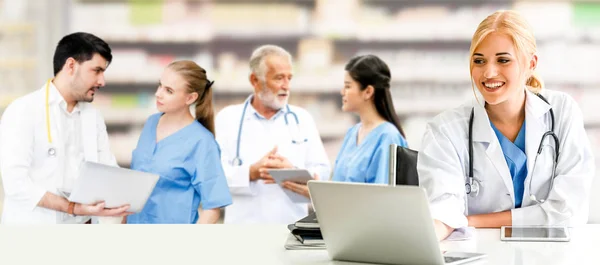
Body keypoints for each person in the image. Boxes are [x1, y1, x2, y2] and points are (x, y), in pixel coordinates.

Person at [417, 10, 595, 240]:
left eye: (503, 60)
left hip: (553, 257)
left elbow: (569, 211)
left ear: (531, 63)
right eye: (479, 61)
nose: (489, 72)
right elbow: (443, 212)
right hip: (483, 255)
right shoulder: (445, 130)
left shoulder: (561, 111)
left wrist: (472, 221)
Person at [0, 32, 131, 224]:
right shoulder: (23, 110)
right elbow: (15, 184)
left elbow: (107, 168)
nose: (102, 81)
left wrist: (124, 202)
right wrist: (72, 208)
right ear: (71, 65)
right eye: (96, 71)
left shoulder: (93, 116)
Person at [215, 45, 330, 224]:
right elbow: (214, 177)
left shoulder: (302, 119)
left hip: (291, 227)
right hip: (243, 229)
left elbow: (322, 171)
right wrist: (251, 173)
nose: (286, 86)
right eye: (279, 78)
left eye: (289, 78)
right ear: (255, 80)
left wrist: (293, 171)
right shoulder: (227, 118)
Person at [281, 55, 409, 198]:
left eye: (348, 86)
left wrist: (321, 195)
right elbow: (340, 190)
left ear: (368, 92)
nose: (342, 92)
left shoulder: (388, 137)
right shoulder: (352, 133)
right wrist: (316, 190)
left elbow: (382, 199)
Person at [125, 61, 232, 224]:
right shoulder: (151, 123)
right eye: (160, 85)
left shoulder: (202, 142)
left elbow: (213, 208)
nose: (158, 94)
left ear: (190, 98)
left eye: (169, 91)